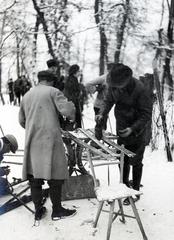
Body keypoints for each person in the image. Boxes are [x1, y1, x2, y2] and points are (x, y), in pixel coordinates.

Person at [18, 70, 77, 221]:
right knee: (55, 174)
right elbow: (67, 110)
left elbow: (21, 121)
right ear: (51, 81)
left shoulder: (27, 95)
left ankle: (38, 211)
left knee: (35, 177)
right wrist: (72, 108)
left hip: (33, 139)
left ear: (39, 79)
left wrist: (34, 127)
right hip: (50, 139)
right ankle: (57, 210)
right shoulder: (53, 92)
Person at [96, 63, 152, 205]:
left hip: (138, 128)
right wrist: (101, 113)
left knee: (136, 160)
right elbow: (108, 101)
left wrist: (133, 129)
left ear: (126, 80)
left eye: (116, 86)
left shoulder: (141, 89)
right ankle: (125, 187)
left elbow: (146, 114)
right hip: (121, 124)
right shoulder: (114, 85)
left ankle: (135, 190)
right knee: (123, 159)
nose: (114, 89)